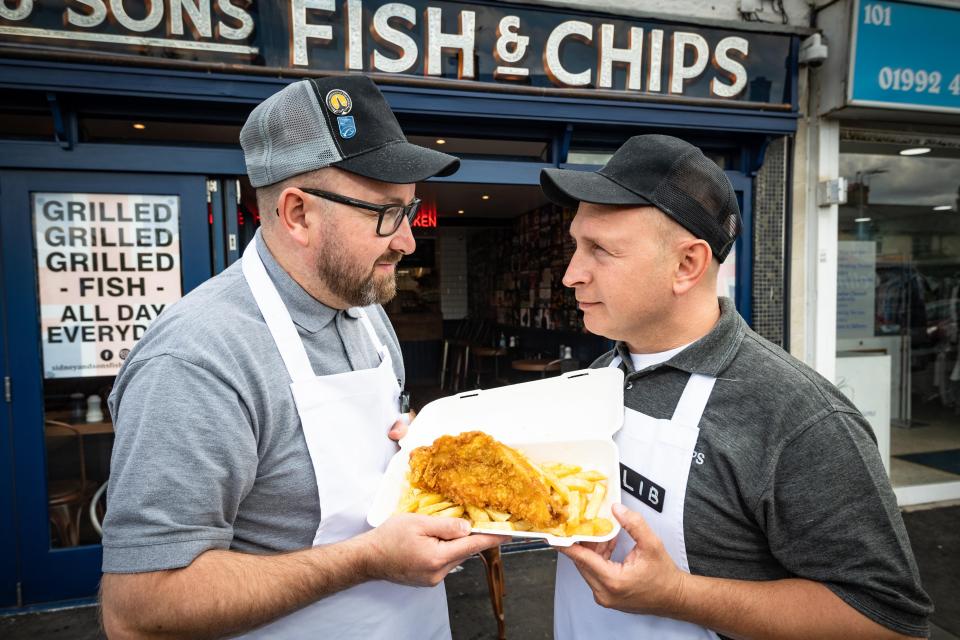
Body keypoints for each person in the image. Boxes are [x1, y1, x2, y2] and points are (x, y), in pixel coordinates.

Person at [99, 76, 503, 639]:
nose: (408, 241)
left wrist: (424, 455)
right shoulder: (197, 357)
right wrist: (365, 559)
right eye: (386, 214)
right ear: (297, 214)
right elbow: (139, 609)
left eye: (409, 210)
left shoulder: (366, 312)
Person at [539, 134, 933, 640]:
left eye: (601, 250)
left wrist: (678, 595)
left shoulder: (798, 417)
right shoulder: (601, 373)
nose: (572, 273)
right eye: (576, 244)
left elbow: (890, 620)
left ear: (688, 265)